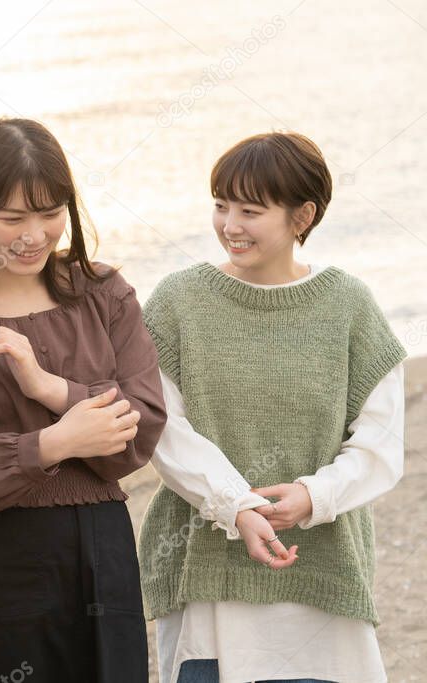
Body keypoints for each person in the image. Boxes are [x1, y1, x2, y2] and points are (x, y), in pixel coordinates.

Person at [0, 117, 166, 682]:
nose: (35, 235)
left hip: (105, 551)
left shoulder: (104, 291)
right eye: (12, 217)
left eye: (50, 213)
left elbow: (142, 424)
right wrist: (51, 444)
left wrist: (51, 389)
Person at [138, 132, 406, 683]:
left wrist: (314, 495)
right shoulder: (178, 302)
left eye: (250, 210)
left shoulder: (349, 306)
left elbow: (381, 443)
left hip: (322, 573)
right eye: (220, 205)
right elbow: (162, 427)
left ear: (302, 216)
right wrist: (235, 504)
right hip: (208, 575)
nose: (230, 225)